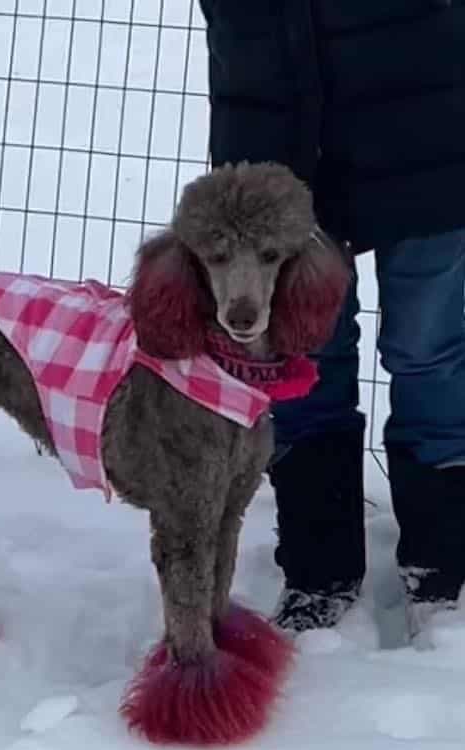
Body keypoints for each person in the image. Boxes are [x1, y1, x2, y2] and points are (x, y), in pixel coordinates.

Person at [197, 0, 465, 637]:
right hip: (276, 138)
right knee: (304, 357)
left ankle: (442, 564)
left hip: (425, 128)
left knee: (428, 351)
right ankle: (319, 569)